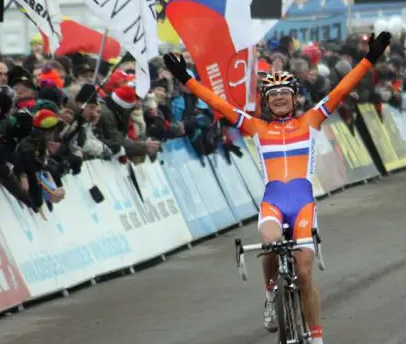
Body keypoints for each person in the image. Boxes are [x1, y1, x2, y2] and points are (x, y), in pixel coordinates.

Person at [162, 31, 392, 344]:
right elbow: (216, 102)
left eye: (285, 92)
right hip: (273, 203)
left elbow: (341, 89)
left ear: (294, 97)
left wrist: (370, 59)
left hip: (303, 205)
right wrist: (185, 78)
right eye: (273, 95)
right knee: (269, 242)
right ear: (267, 102)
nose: (280, 97)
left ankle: (316, 337)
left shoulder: (310, 121)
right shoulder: (256, 127)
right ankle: (271, 295)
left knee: (306, 272)